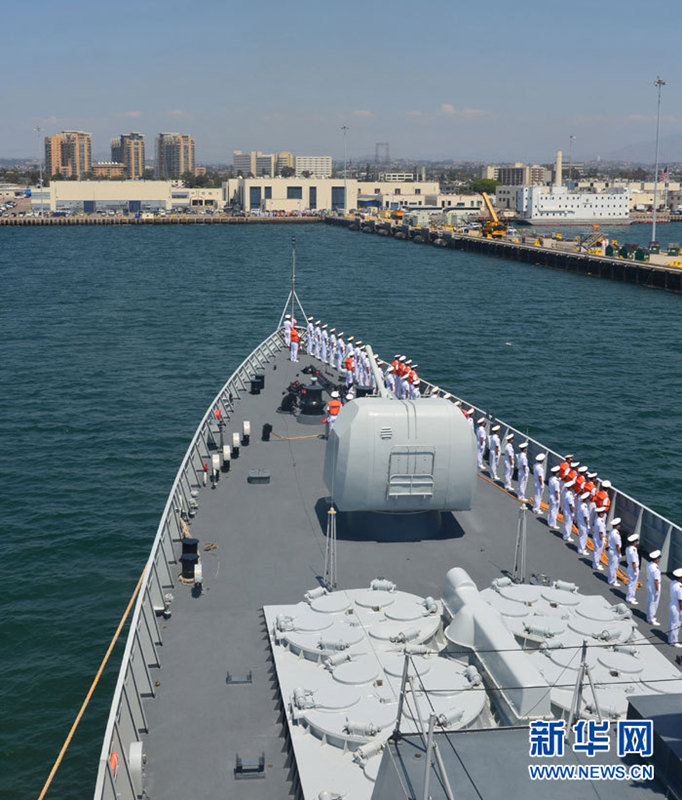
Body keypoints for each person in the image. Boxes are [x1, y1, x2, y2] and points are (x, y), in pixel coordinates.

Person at [646, 550, 662, 626]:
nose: (659, 560)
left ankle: (649, 616)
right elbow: (656, 581)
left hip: (649, 583)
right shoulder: (656, 568)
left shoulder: (649, 564)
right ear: (656, 559)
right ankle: (651, 619)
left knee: (649, 601)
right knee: (654, 603)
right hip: (654, 586)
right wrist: (657, 590)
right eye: (658, 558)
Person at [668, 568, 682, 648]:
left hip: (672, 604)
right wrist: (681, 610)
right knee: (676, 624)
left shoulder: (673, 582)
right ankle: (673, 641)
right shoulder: (680, 587)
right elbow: (680, 601)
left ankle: (671, 639)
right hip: (677, 607)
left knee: (672, 623)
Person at [606, 517, 622, 585]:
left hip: (611, 550)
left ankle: (611, 579)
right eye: (619, 525)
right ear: (617, 525)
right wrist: (619, 554)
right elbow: (617, 545)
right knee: (614, 567)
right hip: (614, 551)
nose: (620, 526)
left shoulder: (611, 531)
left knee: (611, 566)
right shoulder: (616, 534)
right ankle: (612, 581)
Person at [625, 533, 640, 605]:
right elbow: (634, 562)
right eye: (636, 541)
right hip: (633, 568)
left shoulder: (628, 548)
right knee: (632, 584)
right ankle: (629, 598)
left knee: (633, 584)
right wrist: (635, 571)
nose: (637, 542)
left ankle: (631, 596)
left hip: (631, 567)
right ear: (634, 542)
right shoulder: (633, 550)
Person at [592, 506, 607, 571]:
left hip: (596, 536)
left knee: (597, 551)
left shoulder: (597, 519)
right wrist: (601, 540)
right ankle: (595, 565)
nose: (604, 514)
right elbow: (601, 532)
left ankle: (596, 563)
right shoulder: (600, 522)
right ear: (600, 514)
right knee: (597, 552)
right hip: (599, 538)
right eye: (603, 513)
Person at [577, 491, 591, 555]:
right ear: (586, 499)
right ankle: (581, 550)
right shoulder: (584, 507)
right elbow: (585, 517)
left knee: (582, 536)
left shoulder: (581, 504)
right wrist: (588, 525)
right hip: (583, 524)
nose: (589, 500)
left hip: (580, 522)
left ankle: (581, 548)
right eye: (588, 498)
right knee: (583, 537)